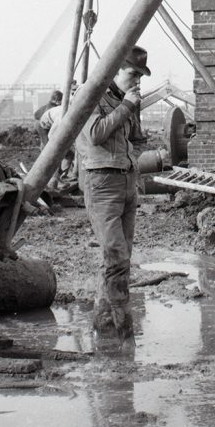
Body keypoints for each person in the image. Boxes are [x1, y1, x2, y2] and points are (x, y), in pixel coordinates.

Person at [76, 45, 150, 338]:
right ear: (116, 69)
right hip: (101, 184)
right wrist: (127, 107)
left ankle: (103, 325)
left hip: (127, 182)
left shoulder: (128, 100)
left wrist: (134, 166)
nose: (137, 81)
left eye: (141, 76)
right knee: (116, 256)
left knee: (119, 257)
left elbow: (137, 138)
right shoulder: (90, 95)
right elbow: (95, 134)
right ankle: (125, 333)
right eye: (133, 74)